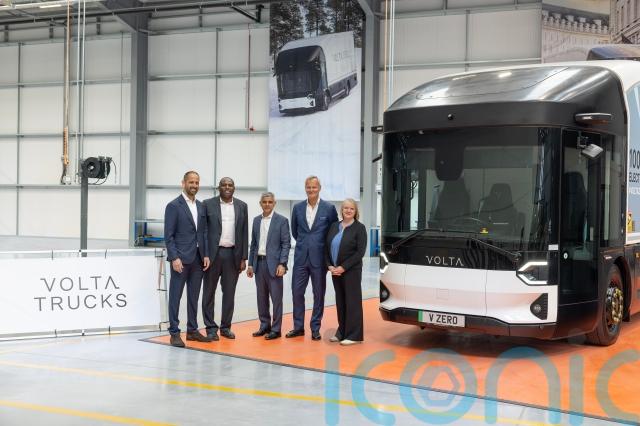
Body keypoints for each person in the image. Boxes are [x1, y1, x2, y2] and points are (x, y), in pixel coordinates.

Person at [164, 171, 212, 347]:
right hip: (181, 260)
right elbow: (168, 235)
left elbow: (203, 232)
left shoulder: (200, 206)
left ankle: (192, 330)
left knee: (193, 297)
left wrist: (205, 254)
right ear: (183, 183)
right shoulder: (173, 206)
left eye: (197, 182)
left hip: (198, 260)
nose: (194, 185)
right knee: (175, 297)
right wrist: (174, 257)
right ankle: (174, 332)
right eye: (191, 182)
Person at [287, 176, 338, 340]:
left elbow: (333, 232)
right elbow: (295, 231)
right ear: (305, 188)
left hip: (319, 259)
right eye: (308, 187)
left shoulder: (329, 208)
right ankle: (298, 327)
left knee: (318, 294)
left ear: (319, 188)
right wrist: (306, 243)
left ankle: (315, 328)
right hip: (301, 258)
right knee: (296, 292)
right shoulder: (297, 208)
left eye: (314, 187)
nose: (311, 190)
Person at [202, 177, 248, 340]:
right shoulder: (207, 204)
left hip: (233, 255)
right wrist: (204, 254)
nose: (227, 187)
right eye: (224, 185)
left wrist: (243, 257)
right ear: (219, 188)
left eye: (230, 185)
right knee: (209, 292)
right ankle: (210, 328)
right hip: (212, 256)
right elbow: (203, 231)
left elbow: (244, 232)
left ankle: (225, 327)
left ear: (234, 188)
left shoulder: (242, 206)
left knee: (229, 294)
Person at [247, 192, 291, 340]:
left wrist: (282, 264)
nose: (267, 204)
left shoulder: (282, 221)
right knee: (261, 298)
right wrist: (250, 264)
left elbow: (286, 244)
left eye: (270, 202)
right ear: (260, 203)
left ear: (274, 203)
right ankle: (264, 325)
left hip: (274, 266)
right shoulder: (256, 220)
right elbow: (253, 244)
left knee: (276, 299)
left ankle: (276, 329)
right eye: (264, 202)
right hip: (259, 264)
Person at [325, 198, 367, 345]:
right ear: (341, 210)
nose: (348, 211)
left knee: (352, 301)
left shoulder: (359, 228)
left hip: (351, 271)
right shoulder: (334, 226)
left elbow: (360, 252)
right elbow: (326, 248)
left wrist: (343, 267)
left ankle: (354, 335)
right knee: (341, 301)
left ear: (355, 211)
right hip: (335, 271)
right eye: (346, 208)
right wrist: (329, 266)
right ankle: (342, 331)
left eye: (351, 208)